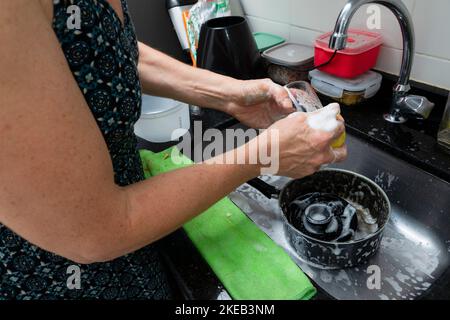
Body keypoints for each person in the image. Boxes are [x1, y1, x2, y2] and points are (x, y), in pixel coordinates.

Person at [0, 0, 347, 300]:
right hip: (64, 276)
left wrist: (229, 94)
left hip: (135, 245)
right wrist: (263, 155)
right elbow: (92, 230)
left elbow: (102, 49)